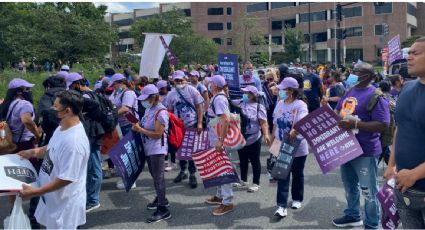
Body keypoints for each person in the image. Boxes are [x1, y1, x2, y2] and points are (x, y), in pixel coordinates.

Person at [18, 90, 90, 229]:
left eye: (55, 107)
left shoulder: (74, 143)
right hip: (52, 198)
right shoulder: (62, 127)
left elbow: (67, 178)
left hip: (65, 206)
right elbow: (51, 148)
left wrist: (36, 192)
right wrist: (33, 152)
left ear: (67, 111)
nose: (52, 109)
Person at [333, 62, 390, 229]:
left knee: (369, 191)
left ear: (367, 76)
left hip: (366, 151)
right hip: (346, 148)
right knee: (350, 186)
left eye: (356, 72)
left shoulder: (376, 96)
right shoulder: (350, 90)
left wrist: (356, 125)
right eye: (353, 71)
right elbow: (338, 111)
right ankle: (353, 215)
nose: (352, 74)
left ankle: (372, 224)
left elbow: (383, 124)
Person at [383, 37, 425, 229]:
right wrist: (391, 165)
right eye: (409, 53)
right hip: (403, 187)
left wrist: (416, 173)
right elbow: (401, 128)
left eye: (416, 53)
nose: (409, 57)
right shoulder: (407, 88)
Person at [0, 78, 42, 228]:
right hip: (25, 144)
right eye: (27, 89)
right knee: (33, 176)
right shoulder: (25, 104)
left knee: (13, 178)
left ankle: (14, 208)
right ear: (20, 91)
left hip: (10, 144)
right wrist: (37, 135)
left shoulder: (7, 103)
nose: (29, 91)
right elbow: (26, 120)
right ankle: (34, 213)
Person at [66, 72, 106, 213]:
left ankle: (93, 200)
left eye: (71, 85)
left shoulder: (86, 96)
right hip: (91, 133)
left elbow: (94, 108)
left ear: (77, 83)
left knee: (94, 166)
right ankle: (90, 197)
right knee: (90, 166)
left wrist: (86, 117)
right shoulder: (87, 93)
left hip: (92, 134)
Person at [132, 84, 171, 223]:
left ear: (153, 98)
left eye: (145, 98)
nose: (143, 101)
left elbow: (157, 134)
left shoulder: (161, 112)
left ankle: (163, 209)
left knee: (158, 178)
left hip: (157, 149)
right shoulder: (150, 109)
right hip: (149, 148)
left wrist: (140, 130)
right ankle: (161, 199)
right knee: (155, 176)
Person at [270, 77, 309, 218]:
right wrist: (271, 138)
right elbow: (275, 122)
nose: (279, 91)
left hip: (297, 146)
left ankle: (297, 198)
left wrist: (295, 130)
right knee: (282, 174)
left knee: (297, 173)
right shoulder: (279, 103)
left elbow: (303, 121)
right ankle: (281, 206)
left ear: (290, 91)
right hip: (281, 145)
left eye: (282, 89)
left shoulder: (300, 105)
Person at [166, 70, 204, 188]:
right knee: (180, 150)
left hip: (192, 123)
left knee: (191, 150)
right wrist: (170, 127)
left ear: (185, 79)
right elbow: (170, 111)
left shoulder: (192, 90)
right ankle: (183, 171)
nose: (179, 82)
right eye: (177, 80)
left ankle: (192, 174)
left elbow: (199, 107)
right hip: (178, 127)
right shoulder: (171, 94)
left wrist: (199, 123)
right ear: (173, 81)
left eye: (181, 80)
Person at [204, 75, 233, 216]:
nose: (208, 84)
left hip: (219, 139)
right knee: (218, 168)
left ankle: (227, 202)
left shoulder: (220, 99)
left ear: (215, 85)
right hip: (214, 137)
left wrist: (221, 140)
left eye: (210, 83)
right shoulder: (217, 97)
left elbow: (225, 120)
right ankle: (220, 195)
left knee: (224, 170)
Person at [234, 85, 270, 192]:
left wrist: (266, 134)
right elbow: (228, 101)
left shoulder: (259, 107)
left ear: (252, 95)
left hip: (254, 138)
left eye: (246, 93)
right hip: (241, 138)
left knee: (255, 160)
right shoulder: (240, 103)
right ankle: (243, 180)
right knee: (243, 159)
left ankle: (256, 183)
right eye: (244, 93)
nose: (244, 94)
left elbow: (263, 123)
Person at [108, 73, 139, 189]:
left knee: (129, 152)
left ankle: (131, 180)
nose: (113, 87)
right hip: (121, 125)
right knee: (124, 151)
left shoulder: (129, 93)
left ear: (120, 83)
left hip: (129, 125)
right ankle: (126, 177)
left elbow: (126, 108)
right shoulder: (118, 93)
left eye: (114, 85)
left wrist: (111, 113)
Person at [38, 75, 67, 146]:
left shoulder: (47, 96)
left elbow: (46, 112)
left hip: (53, 132)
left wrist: (45, 127)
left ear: (48, 85)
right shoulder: (71, 95)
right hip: (71, 130)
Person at [156, 80, 176, 171]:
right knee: (164, 142)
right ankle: (165, 161)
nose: (161, 90)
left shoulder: (171, 94)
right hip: (162, 121)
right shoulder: (158, 96)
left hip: (171, 120)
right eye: (159, 89)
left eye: (162, 88)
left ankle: (173, 162)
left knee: (171, 142)